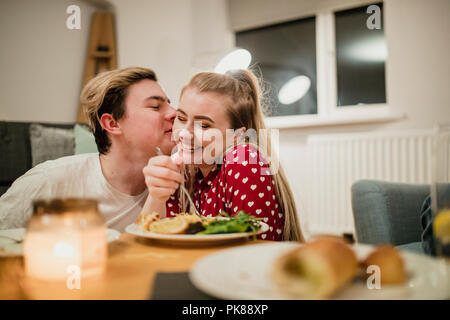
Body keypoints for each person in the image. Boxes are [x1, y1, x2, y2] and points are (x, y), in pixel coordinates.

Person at [0, 67, 176, 231]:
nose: (174, 112)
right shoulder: (49, 182)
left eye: (170, 104)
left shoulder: (179, 184)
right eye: (155, 106)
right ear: (113, 123)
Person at [142, 69, 304, 241]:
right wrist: (156, 196)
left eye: (203, 126)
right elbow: (157, 238)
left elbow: (254, 250)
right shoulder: (185, 170)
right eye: (181, 118)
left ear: (237, 136)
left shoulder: (244, 159)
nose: (183, 134)